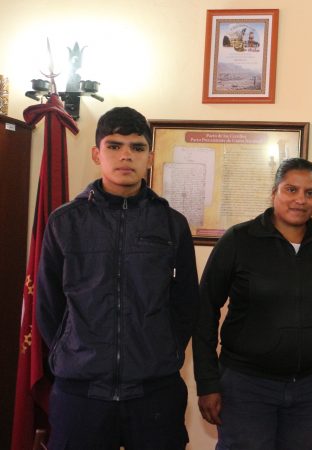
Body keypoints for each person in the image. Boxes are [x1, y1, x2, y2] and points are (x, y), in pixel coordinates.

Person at [36, 106, 200, 449]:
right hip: (81, 392)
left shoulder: (171, 224)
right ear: (97, 153)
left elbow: (185, 302)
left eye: (137, 147)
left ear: (150, 157)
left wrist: (165, 351)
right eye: (114, 145)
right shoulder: (64, 222)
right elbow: (49, 304)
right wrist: (70, 352)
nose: (126, 155)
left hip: (153, 391)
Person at [192, 158, 312, 450]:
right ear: (274, 191)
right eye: (291, 189)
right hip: (246, 386)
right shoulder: (239, 240)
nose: (300, 199)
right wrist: (208, 382)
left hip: (309, 388)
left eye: (310, 193)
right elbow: (205, 310)